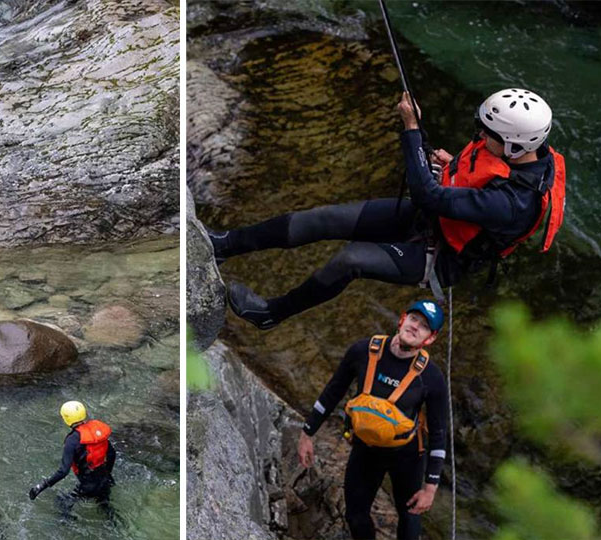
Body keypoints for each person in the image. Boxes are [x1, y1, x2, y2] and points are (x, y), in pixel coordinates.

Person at [211, 88, 566, 329]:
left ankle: (270, 314)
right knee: (324, 218)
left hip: (438, 256)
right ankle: (225, 244)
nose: (482, 138)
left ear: (517, 147)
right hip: (432, 218)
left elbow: (427, 193)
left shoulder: (513, 204)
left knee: (350, 260)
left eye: (490, 135)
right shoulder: (524, 154)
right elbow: (472, 178)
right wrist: (452, 164)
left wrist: (411, 128)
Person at [297, 301, 449, 540]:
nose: (415, 327)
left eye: (424, 327)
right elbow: (332, 392)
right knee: (355, 516)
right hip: (365, 450)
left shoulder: (432, 377)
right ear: (402, 319)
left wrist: (430, 487)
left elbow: (439, 434)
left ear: (430, 339)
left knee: (409, 517)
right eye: (413, 319)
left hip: (407, 457)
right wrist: (307, 433)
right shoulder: (363, 351)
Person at [29, 401, 117, 521]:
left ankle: (66, 525)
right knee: (106, 507)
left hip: (88, 485)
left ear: (66, 419)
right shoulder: (96, 432)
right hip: (105, 480)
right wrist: (108, 474)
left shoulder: (72, 440)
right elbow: (112, 454)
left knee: (61, 502)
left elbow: (63, 471)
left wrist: (41, 486)